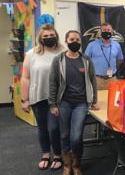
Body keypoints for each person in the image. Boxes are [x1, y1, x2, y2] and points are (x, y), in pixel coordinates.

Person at [49, 30, 99, 175]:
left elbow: (93, 81)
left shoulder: (86, 60)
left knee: (76, 137)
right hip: (64, 103)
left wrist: (94, 100)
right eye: (71, 39)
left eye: (77, 39)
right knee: (64, 135)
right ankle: (67, 165)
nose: (75, 42)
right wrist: (53, 104)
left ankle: (77, 164)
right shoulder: (58, 60)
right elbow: (53, 83)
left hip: (81, 104)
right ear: (66, 41)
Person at [21, 24, 64, 171]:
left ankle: (58, 154)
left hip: (56, 99)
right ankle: (46, 154)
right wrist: (24, 99)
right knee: (42, 128)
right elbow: (25, 77)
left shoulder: (63, 52)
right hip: (37, 96)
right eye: (45, 36)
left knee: (54, 128)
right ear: (40, 38)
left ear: (56, 36)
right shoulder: (32, 54)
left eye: (51, 35)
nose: (49, 38)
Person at [85, 22, 124, 89]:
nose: (106, 32)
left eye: (108, 30)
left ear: (112, 32)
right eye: (104, 30)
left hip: (112, 79)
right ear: (100, 32)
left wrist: (113, 68)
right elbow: (85, 60)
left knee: (114, 99)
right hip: (97, 79)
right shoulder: (91, 45)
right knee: (97, 99)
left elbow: (120, 60)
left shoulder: (116, 45)